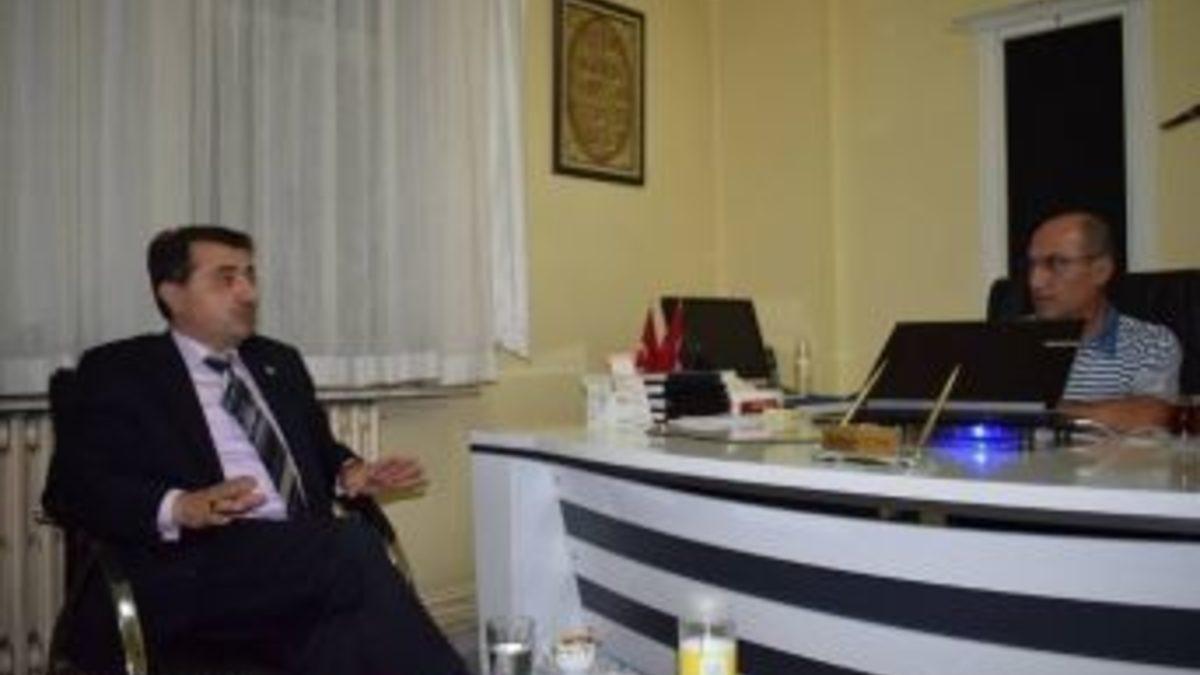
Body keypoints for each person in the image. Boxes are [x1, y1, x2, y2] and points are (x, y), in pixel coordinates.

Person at [44, 225, 469, 675]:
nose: (248, 292)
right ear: (172, 294)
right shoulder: (120, 371)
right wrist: (180, 506)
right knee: (352, 548)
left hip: (299, 557)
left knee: (344, 619)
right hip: (198, 566)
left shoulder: (278, 361)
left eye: (250, 275)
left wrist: (348, 472)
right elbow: (72, 488)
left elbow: (319, 447)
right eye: (226, 278)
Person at [1026, 211, 1182, 431]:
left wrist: (1040, 412)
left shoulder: (1151, 343)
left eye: (1057, 263)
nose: (1036, 281)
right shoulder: (1006, 341)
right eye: (1032, 265)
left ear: (1101, 271)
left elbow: (1153, 417)